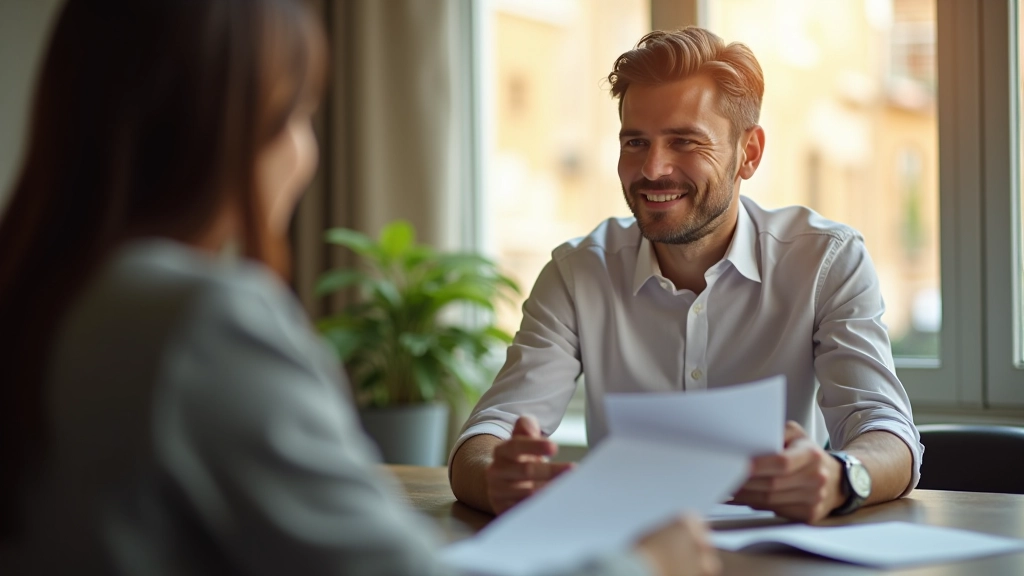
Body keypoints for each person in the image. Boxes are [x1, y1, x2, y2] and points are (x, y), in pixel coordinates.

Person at [0, 1, 720, 575]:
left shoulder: (42, 296)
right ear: (227, 127)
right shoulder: (203, 323)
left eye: (684, 141)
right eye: (297, 115)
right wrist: (647, 564)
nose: (306, 153)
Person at [449, 26, 924, 524]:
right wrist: (496, 477)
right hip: (631, 556)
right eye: (635, 142)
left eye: (684, 141)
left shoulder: (827, 261)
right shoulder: (578, 272)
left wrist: (841, 476)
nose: (653, 168)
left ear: (750, 153)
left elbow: (887, 431)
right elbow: (482, 441)